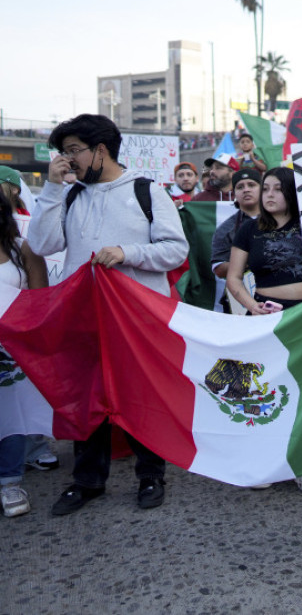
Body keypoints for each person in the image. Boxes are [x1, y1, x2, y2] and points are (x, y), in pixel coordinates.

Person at [28, 114, 189, 516]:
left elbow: (176, 250)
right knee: (87, 398)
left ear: (100, 150)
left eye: (73, 151)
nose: (67, 160)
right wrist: (50, 187)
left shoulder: (145, 190)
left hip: (136, 319)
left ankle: (151, 475)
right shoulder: (68, 195)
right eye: (62, 153)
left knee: (140, 394)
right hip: (83, 317)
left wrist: (127, 252)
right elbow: (41, 243)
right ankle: (87, 480)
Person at [226, 167, 302, 492]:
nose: (268, 194)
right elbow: (234, 278)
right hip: (267, 316)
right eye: (265, 188)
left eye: (277, 189)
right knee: (270, 389)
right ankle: (267, 461)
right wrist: (250, 307)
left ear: (292, 193)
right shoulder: (248, 230)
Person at [0, 196, 48, 517]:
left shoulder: (23, 249)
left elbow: (40, 299)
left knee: (11, 414)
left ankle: (10, 481)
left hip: (12, 351)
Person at [210, 169, 262, 311]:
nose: (246, 190)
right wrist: (252, 260)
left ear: (262, 189)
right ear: (234, 194)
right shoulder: (226, 229)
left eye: (251, 185)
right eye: (240, 187)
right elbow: (219, 269)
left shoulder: (279, 220)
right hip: (241, 302)